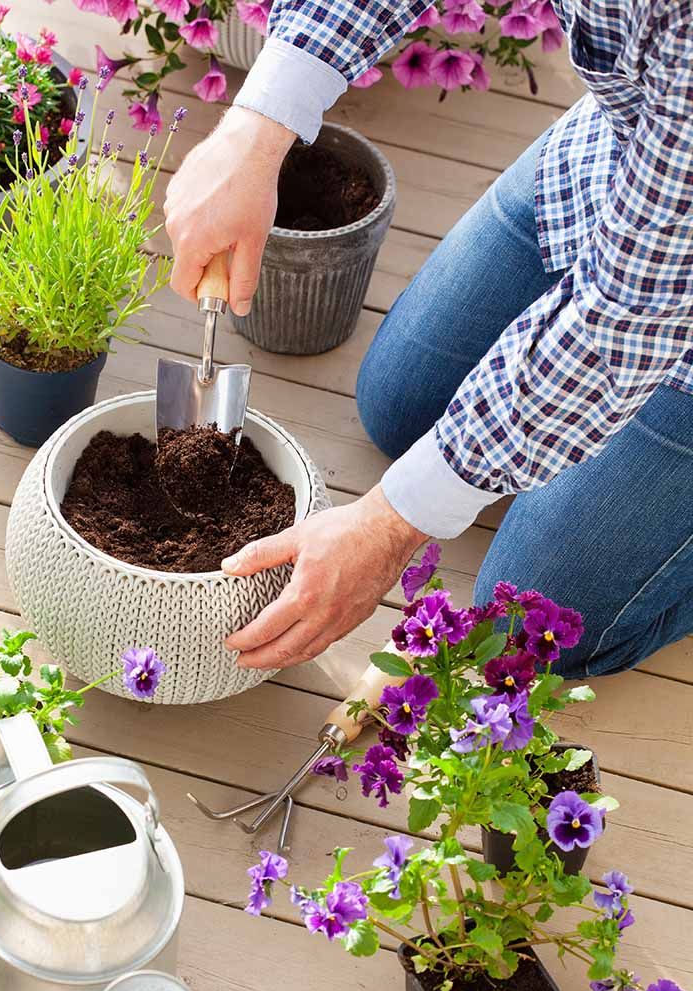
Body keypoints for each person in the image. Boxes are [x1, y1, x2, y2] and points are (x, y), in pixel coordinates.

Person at [163, 0, 693, 678]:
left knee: (532, 620)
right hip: (620, 155)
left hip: (664, 289)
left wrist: (389, 524)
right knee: (400, 409)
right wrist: (255, 130)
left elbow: (625, 316)